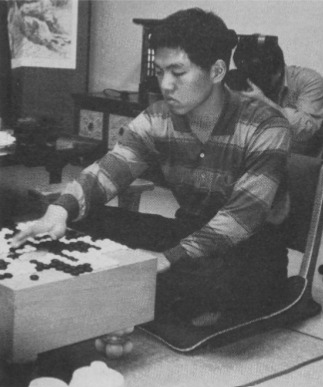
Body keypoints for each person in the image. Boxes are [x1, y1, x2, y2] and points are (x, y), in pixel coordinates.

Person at [12, 8, 291, 357]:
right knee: (86, 222)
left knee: (215, 275)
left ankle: (169, 292)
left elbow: (241, 219)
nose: (165, 84)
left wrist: (166, 258)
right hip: (188, 233)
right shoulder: (158, 118)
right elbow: (110, 170)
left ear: (217, 71)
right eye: (160, 72)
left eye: (178, 72)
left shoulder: (266, 125)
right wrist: (59, 210)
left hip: (251, 251)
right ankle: (161, 290)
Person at [230, 35, 323, 229]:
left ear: (278, 70)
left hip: (314, 155)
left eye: (265, 80)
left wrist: (266, 104)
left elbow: (306, 129)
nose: (260, 85)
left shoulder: (309, 81)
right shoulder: (247, 82)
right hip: (276, 154)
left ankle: (322, 220)